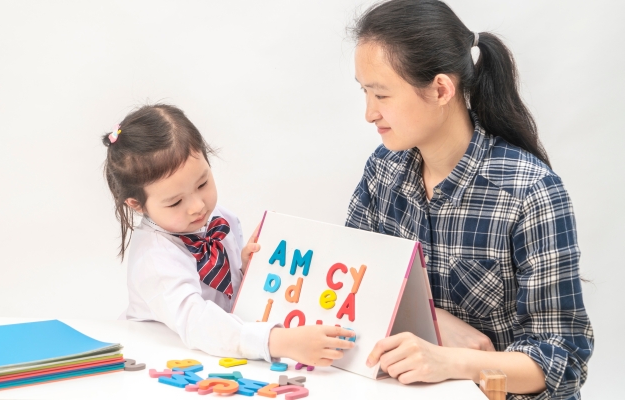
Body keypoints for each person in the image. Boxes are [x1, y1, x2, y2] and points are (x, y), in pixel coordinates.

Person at [345, 1, 593, 398]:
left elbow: (563, 359)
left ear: (441, 89)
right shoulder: (383, 170)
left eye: (381, 95)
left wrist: (451, 361)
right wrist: (436, 321)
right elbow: (357, 283)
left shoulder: (531, 191)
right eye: (365, 92)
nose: (369, 113)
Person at [101, 104, 354, 365]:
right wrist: (279, 341)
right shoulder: (155, 258)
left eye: (202, 183)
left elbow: (228, 301)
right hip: (160, 359)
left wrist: (246, 270)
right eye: (175, 202)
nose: (197, 206)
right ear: (137, 204)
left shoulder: (221, 220)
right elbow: (196, 321)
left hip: (217, 356)